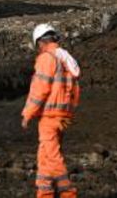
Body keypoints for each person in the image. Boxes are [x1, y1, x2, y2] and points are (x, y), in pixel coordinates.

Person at [21, 23, 81, 198]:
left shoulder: (47, 58)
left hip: (50, 117)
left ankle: (68, 194)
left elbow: (39, 89)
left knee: (53, 157)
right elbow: (75, 92)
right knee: (45, 154)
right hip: (64, 116)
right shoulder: (66, 58)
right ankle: (45, 192)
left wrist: (28, 113)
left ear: (40, 42)